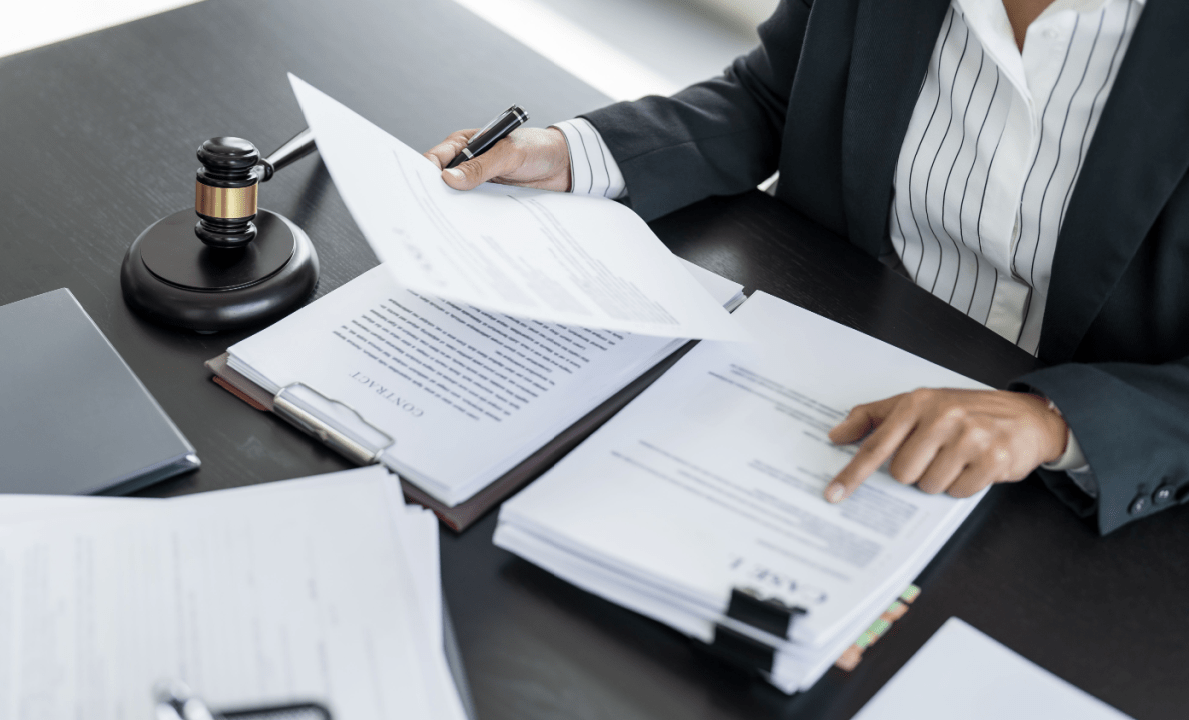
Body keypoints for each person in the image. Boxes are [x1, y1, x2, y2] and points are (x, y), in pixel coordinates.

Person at [424, 0, 1188, 536]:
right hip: (810, 383)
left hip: (1073, 503)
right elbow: (773, 98)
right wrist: (577, 153)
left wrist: (1054, 422)